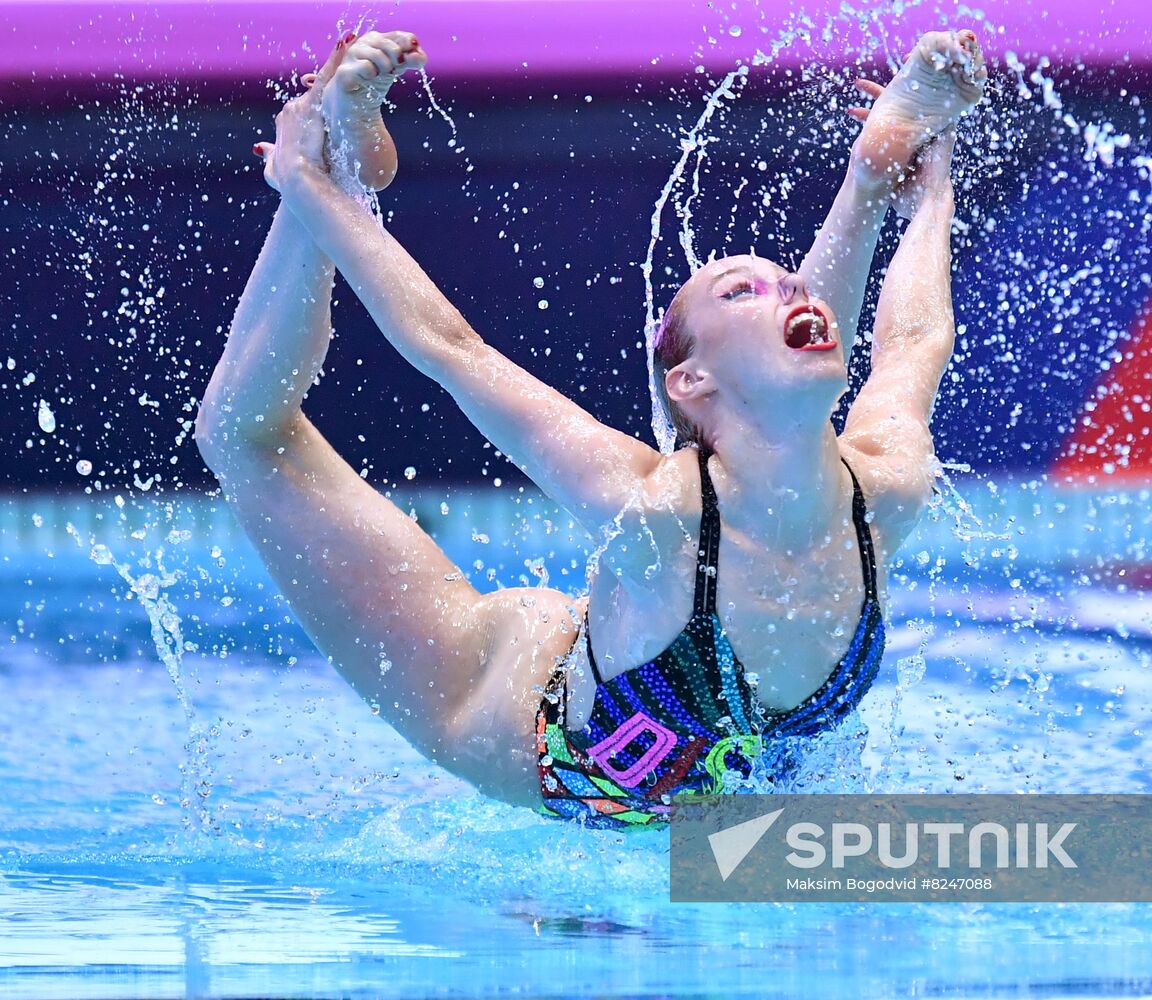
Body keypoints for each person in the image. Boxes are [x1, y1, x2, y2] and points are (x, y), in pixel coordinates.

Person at [195, 28, 986, 828]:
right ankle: (331, 166)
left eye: (788, 285)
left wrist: (921, 190)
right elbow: (450, 350)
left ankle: (866, 169)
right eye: (744, 292)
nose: (789, 294)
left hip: (644, 642)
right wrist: (306, 187)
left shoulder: (882, 492)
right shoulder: (654, 512)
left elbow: (914, 342)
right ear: (689, 380)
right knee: (241, 437)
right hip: (494, 691)